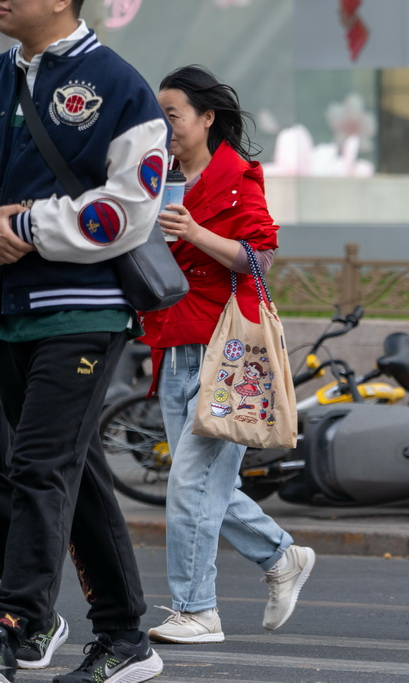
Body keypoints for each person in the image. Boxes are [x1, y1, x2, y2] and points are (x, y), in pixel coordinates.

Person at [0, 0, 167, 681]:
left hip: (82, 312)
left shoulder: (120, 86)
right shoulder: (2, 75)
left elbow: (130, 210)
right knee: (71, 470)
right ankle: (125, 635)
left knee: (36, 469)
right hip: (10, 309)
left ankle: (16, 622)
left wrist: (31, 225)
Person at [139, 65, 315, 645]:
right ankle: (282, 557)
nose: (165, 127)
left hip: (227, 351)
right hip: (170, 344)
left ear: (207, 117)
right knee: (204, 486)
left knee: (190, 486)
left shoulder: (236, 177)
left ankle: (197, 611)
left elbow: (261, 259)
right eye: (158, 115)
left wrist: (193, 231)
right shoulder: (156, 175)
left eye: (174, 115)